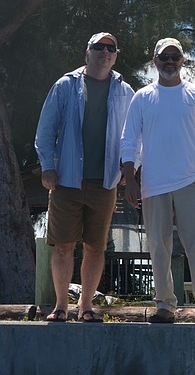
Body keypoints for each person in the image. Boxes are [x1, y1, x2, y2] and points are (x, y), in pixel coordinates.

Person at [120, 38, 195, 324]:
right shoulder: (142, 97)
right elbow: (129, 141)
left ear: (183, 60)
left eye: (174, 56)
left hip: (194, 182)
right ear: (154, 61)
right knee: (158, 246)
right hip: (154, 184)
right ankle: (165, 306)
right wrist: (131, 179)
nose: (169, 61)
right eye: (163, 56)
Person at [35, 32, 134, 323]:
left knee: (95, 247)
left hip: (105, 182)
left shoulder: (125, 91)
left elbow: (134, 136)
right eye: (99, 47)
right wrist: (47, 166)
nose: (105, 52)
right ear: (87, 52)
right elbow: (45, 130)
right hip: (67, 179)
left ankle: (86, 307)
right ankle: (60, 307)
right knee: (64, 246)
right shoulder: (65, 85)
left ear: (115, 56)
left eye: (111, 48)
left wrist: (130, 166)